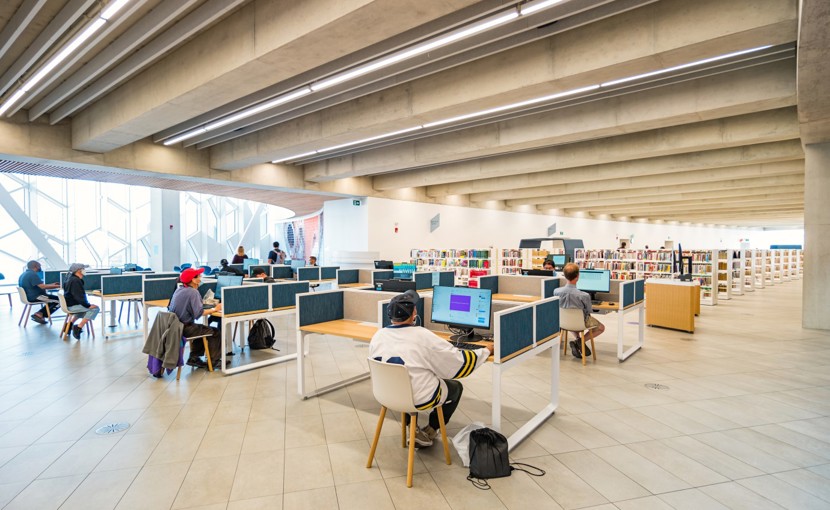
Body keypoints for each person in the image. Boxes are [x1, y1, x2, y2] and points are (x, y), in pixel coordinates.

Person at [369, 290, 493, 447]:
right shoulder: (423, 336)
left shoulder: (378, 336)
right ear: (414, 313)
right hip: (420, 399)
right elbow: (458, 363)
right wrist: (486, 350)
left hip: (386, 395)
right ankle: (431, 430)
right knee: (455, 387)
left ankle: (410, 428)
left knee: (405, 381)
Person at [168, 267, 223, 369]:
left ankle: (194, 358)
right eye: (199, 276)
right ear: (193, 280)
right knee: (215, 332)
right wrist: (215, 309)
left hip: (175, 326)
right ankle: (214, 362)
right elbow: (198, 314)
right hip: (185, 328)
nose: (201, 278)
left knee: (202, 329)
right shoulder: (193, 292)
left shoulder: (179, 289)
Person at [554, 263, 605, 358]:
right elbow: (589, 311)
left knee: (573, 319)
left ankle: (577, 338)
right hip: (580, 322)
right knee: (601, 327)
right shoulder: (584, 295)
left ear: (564, 276)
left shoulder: (556, 291)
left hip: (563, 323)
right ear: (578, 276)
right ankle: (579, 341)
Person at [63, 263, 100, 339]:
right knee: (95, 308)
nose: (85, 270)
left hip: (69, 305)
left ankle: (69, 324)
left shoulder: (70, 278)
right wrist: (88, 305)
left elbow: (78, 297)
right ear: (79, 270)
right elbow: (79, 297)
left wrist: (86, 305)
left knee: (84, 309)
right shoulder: (75, 281)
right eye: (83, 269)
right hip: (72, 307)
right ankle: (78, 327)